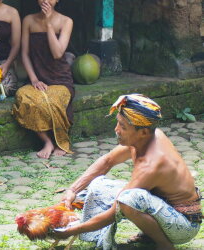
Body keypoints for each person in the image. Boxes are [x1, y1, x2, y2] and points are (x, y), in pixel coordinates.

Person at [55, 94, 202, 250]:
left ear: (143, 132)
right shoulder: (142, 139)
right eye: (118, 123)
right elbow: (107, 161)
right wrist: (72, 190)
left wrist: (72, 230)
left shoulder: (152, 164)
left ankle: (164, 245)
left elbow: (116, 210)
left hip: (183, 226)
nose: (116, 130)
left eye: (123, 127)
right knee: (98, 185)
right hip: (163, 208)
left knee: (128, 199)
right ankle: (150, 234)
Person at [12, 0, 74, 158]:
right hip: (37, 79)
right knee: (24, 98)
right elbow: (24, 54)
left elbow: (57, 53)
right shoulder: (29, 20)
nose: (46, 1)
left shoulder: (65, 22)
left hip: (60, 79)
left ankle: (60, 142)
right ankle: (47, 142)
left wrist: (48, 24)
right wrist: (34, 79)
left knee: (52, 101)